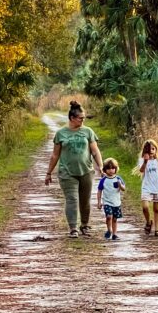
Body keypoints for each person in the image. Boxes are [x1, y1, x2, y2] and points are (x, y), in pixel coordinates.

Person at [45, 101, 103, 238]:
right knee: (72, 199)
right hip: (67, 172)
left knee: (85, 200)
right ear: (72, 118)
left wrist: (100, 165)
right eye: (80, 118)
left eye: (83, 118)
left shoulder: (88, 132)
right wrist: (48, 173)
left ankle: (84, 225)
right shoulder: (61, 133)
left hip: (86, 171)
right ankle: (73, 228)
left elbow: (95, 151)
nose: (83, 120)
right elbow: (55, 155)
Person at [138, 139, 158, 236]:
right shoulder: (142, 160)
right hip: (146, 187)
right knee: (145, 207)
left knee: (156, 209)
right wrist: (145, 162)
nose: (151, 151)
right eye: (149, 149)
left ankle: (157, 229)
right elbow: (141, 171)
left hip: (157, 188)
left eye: (153, 149)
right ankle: (148, 222)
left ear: (156, 150)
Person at [97, 158, 126, 241]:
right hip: (107, 202)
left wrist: (120, 186)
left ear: (116, 169)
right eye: (108, 168)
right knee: (109, 216)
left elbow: (123, 188)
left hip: (116, 202)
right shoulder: (103, 180)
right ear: (105, 170)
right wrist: (99, 202)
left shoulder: (118, 179)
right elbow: (99, 191)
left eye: (113, 168)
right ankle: (109, 229)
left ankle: (114, 234)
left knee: (115, 219)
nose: (111, 170)